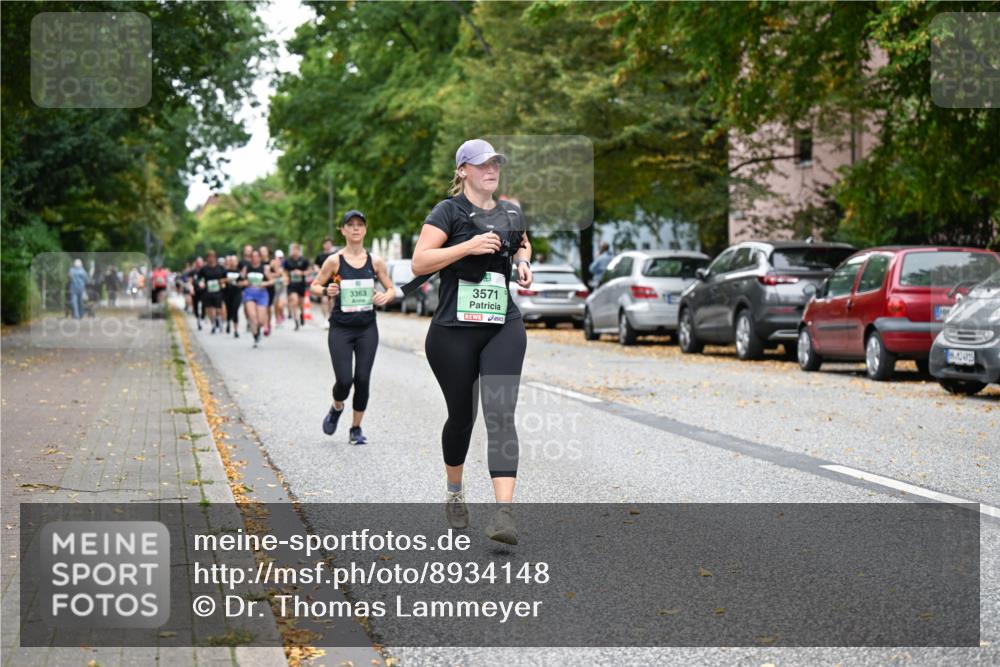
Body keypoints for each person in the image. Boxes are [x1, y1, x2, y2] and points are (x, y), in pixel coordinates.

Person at [410, 138, 532, 545]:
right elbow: (420, 261)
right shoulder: (448, 211)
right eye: (481, 165)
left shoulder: (511, 211)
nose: (490, 169)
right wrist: (468, 245)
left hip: (502, 323)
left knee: (500, 413)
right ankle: (455, 490)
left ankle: (504, 515)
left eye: (495, 163)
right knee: (462, 417)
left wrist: (522, 262)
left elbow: (523, 242)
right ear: (463, 171)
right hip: (452, 331)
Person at [311, 211, 395, 445]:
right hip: (341, 328)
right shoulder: (334, 261)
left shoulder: (375, 261)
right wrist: (326, 290)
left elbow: (391, 289)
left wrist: (384, 297)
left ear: (365, 230)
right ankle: (337, 406)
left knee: (363, 379)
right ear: (344, 230)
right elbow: (315, 286)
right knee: (345, 380)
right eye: (351, 225)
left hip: (367, 328)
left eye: (360, 225)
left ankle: (355, 428)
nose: (356, 228)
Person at [240, 249, 273, 348]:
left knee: (261, 321)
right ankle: (255, 335)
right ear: (250, 258)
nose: (255, 258)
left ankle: (258, 329)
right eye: (252, 256)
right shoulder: (246, 268)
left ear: (260, 257)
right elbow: (239, 281)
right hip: (249, 293)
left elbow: (272, 281)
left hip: (262, 294)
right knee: (252, 315)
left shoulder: (264, 268)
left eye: (256, 256)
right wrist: (245, 283)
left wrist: (264, 283)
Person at [197, 251, 227, 333]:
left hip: (218, 291)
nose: (211, 259)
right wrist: (201, 283)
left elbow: (226, 277)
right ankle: (213, 324)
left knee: (218, 308)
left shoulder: (220, 268)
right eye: (209, 257)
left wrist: (222, 282)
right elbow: (199, 279)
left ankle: (219, 320)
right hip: (208, 290)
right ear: (207, 258)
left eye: (213, 257)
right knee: (210, 308)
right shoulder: (204, 269)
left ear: (215, 258)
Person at [283, 243, 310, 330]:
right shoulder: (288, 261)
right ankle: (296, 321)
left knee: (301, 304)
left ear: (299, 251)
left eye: (296, 250)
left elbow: (309, 271)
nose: (295, 252)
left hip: (301, 284)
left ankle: (302, 314)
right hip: (291, 285)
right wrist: (286, 277)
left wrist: (301, 273)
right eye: (293, 250)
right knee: (294, 301)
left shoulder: (304, 260)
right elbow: (284, 271)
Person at [315, 238, 336, 328]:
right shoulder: (320, 255)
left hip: (333, 280)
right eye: (326, 244)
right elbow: (315, 266)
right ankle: (325, 319)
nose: (327, 245)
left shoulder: (335, 255)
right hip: (323, 280)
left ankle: (331, 318)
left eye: (329, 244)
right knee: (324, 300)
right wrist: (320, 272)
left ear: (331, 245)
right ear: (323, 245)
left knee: (331, 301)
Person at [223, 255, 243, 337]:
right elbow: (220, 280)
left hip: (237, 293)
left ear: (237, 262)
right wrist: (226, 281)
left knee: (235, 310)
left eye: (234, 261)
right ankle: (228, 321)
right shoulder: (225, 271)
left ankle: (236, 330)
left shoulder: (239, 272)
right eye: (231, 260)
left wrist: (239, 284)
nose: (233, 262)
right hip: (227, 293)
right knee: (229, 309)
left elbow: (244, 282)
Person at [271, 251, 288, 328]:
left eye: (281, 258)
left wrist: (284, 279)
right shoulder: (271, 266)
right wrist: (276, 274)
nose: (279, 260)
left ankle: (281, 314)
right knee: (275, 305)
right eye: (277, 258)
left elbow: (286, 278)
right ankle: (277, 319)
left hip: (282, 289)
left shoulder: (284, 266)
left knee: (280, 305)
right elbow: (268, 275)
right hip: (274, 290)